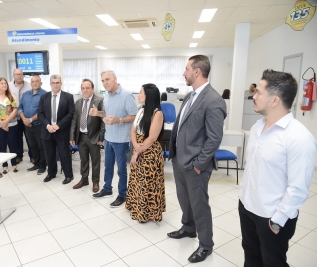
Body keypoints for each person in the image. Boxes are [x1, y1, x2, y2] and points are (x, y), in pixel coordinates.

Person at [239, 69, 316, 267]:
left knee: (273, 262)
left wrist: (277, 221)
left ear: (274, 100)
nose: (253, 96)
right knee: (251, 256)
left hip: (272, 218)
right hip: (248, 208)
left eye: (259, 93)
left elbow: (298, 188)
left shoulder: (299, 138)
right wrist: (243, 201)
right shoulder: (257, 127)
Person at [167, 55, 226, 263]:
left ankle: (206, 245)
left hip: (195, 165)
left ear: (197, 71)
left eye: (186, 69)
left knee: (200, 205)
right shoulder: (191, 96)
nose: (184, 73)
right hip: (180, 160)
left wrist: (200, 164)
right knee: (185, 200)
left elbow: (214, 138)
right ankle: (188, 228)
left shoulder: (213, 99)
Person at [89, 70, 137, 207]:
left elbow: (134, 116)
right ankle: (107, 189)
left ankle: (122, 194)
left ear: (115, 79)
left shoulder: (126, 95)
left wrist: (118, 120)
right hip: (109, 137)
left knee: (121, 169)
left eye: (107, 80)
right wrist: (97, 113)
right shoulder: (106, 95)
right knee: (108, 166)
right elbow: (106, 113)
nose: (105, 83)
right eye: (103, 81)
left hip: (121, 140)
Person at [126, 83, 165, 223]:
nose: (139, 95)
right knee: (137, 181)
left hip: (150, 152)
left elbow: (152, 138)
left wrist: (137, 152)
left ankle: (147, 213)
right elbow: (133, 131)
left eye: (141, 92)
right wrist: (136, 147)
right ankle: (137, 208)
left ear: (149, 96)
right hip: (139, 147)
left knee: (147, 183)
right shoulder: (141, 111)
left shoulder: (157, 113)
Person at [38, 75, 75, 184]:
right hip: (47, 131)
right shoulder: (44, 97)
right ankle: (51, 173)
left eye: (57, 82)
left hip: (62, 131)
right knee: (49, 154)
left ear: (61, 83)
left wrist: (58, 125)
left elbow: (70, 113)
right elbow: (40, 114)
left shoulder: (68, 97)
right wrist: (48, 126)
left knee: (64, 154)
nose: (55, 84)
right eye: (53, 82)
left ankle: (69, 175)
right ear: (50, 84)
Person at [70, 79, 105, 193]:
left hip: (94, 137)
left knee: (95, 161)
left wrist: (101, 138)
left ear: (92, 89)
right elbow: (74, 120)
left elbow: (103, 120)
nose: (85, 90)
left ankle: (95, 182)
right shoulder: (78, 102)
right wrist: (72, 137)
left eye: (87, 88)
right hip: (81, 137)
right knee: (83, 160)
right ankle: (84, 179)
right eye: (83, 88)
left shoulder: (99, 101)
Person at [18, 75, 47, 175]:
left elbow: (42, 111)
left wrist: (30, 119)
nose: (34, 83)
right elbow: (20, 108)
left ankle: (43, 165)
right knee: (32, 145)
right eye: (33, 81)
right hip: (27, 126)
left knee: (41, 146)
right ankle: (37, 164)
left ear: (41, 83)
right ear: (30, 84)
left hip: (39, 125)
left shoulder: (45, 95)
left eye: (37, 81)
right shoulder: (26, 94)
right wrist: (24, 120)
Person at [0, 78, 18, 173]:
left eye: (5, 83)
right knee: (2, 145)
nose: (4, 85)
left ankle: (14, 164)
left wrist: (7, 121)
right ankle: (4, 165)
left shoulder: (12, 97)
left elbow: (15, 110)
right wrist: (1, 123)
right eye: (1, 83)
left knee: (12, 144)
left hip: (12, 124)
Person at [8, 68, 32, 164]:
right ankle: (19, 155)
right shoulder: (8, 86)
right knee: (17, 138)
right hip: (14, 117)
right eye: (17, 74)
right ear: (13, 76)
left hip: (26, 117)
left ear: (23, 75)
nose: (19, 76)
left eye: (21, 74)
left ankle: (32, 156)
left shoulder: (29, 86)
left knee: (29, 138)